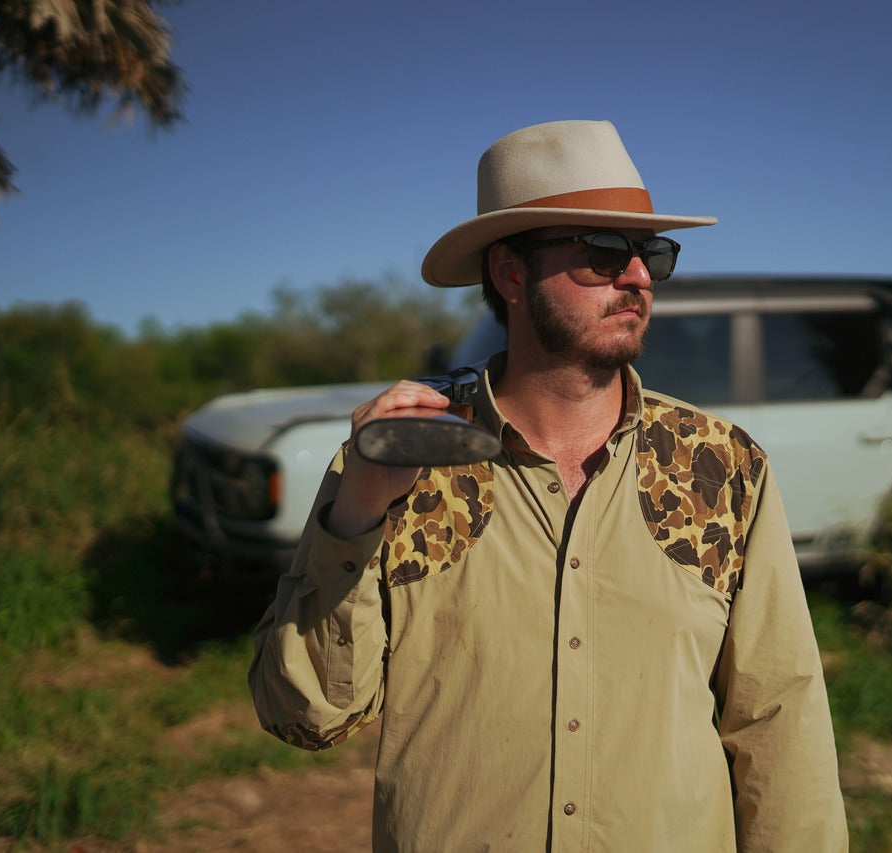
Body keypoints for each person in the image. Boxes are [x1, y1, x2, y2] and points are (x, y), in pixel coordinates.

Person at [249, 119, 848, 852]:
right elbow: (306, 715)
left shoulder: (721, 467)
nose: (638, 278)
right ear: (510, 273)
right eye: (603, 252)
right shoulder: (403, 456)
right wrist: (360, 511)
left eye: (652, 254)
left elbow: (779, 721)